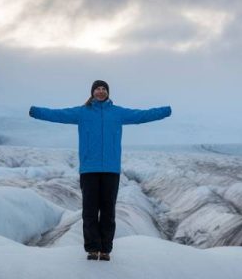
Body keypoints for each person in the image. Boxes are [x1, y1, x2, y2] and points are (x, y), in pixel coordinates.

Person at [29, 80, 171, 261]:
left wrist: (165, 111)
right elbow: (57, 114)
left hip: (111, 170)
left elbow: (141, 115)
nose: (101, 91)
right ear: (92, 92)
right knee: (89, 211)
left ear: (108, 93)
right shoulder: (82, 112)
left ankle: (105, 250)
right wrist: (35, 111)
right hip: (89, 169)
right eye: (98, 88)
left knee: (108, 211)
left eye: (104, 89)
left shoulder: (117, 113)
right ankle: (92, 249)